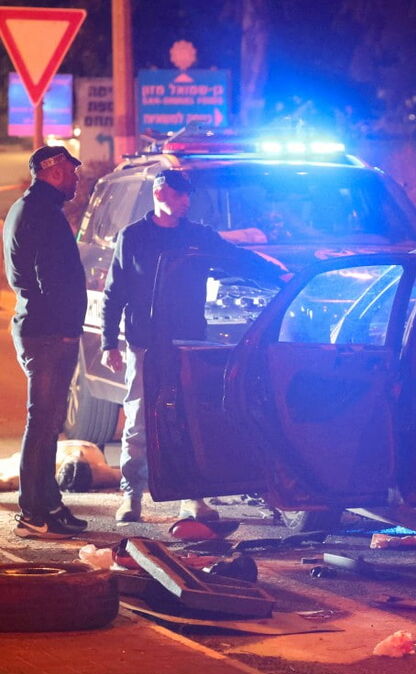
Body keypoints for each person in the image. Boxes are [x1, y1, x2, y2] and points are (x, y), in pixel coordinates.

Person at [100, 169, 282, 524]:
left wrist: (280, 275)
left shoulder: (197, 236)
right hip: (145, 343)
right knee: (139, 419)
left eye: (187, 195)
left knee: (188, 417)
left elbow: (238, 258)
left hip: (187, 343)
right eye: (179, 194)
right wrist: (110, 343)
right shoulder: (133, 237)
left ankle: (193, 497)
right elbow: (114, 291)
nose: (186, 201)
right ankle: (132, 495)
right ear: (160, 193)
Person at [2, 146, 89, 539]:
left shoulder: (35, 209)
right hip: (48, 333)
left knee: (50, 423)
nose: (76, 178)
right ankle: (33, 514)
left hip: (45, 329)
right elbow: (48, 279)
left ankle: (49, 505)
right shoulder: (39, 213)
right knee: (42, 424)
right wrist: (66, 327)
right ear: (52, 171)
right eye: (71, 171)